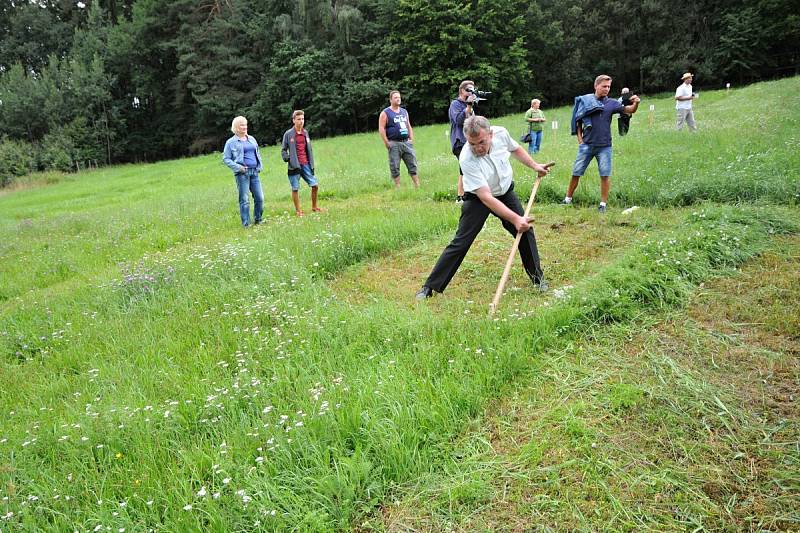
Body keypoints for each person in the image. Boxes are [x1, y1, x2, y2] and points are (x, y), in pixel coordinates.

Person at [416, 115, 551, 300]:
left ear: (491, 134)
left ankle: (538, 278)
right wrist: (514, 219)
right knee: (461, 241)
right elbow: (486, 197)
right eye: (472, 144)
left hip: (504, 192)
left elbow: (516, 149)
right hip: (479, 198)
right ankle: (429, 287)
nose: (477, 148)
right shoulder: (466, 158)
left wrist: (535, 165)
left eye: (481, 142)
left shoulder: (501, 133)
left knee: (526, 232)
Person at [562, 75, 640, 213]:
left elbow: (630, 110)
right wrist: (580, 140)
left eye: (609, 87)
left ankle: (602, 204)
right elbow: (578, 121)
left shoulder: (612, 103)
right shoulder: (586, 101)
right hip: (586, 145)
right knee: (576, 172)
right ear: (596, 86)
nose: (607, 89)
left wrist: (636, 103)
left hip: (605, 146)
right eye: (604, 86)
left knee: (604, 175)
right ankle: (567, 199)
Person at [222, 116, 264, 227]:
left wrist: (259, 166)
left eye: (245, 124)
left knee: (260, 198)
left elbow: (257, 153)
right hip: (242, 174)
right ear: (236, 127)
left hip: (254, 172)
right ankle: (246, 224)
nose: (244, 127)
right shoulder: (231, 142)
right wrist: (238, 167)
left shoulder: (252, 139)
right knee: (244, 199)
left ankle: (258, 220)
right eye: (242, 125)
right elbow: (226, 159)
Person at [281, 110, 322, 216]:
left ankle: (314, 207)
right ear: (294, 120)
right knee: (295, 188)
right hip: (295, 166)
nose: (301, 121)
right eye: (299, 119)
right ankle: (298, 211)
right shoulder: (288, 134)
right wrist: (287, 158)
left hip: (306, 164)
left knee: (315, 185)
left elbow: (308, 149)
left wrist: (311, 163)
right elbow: (283, 149)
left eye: (303, 119)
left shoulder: (305, 133)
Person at [378, 90, 420, 188]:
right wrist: (386, 142)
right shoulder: (385, 113)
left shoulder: (404, 111)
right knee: (395, 166)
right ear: (391, 100)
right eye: (396, 98)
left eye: (399, 97)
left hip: (406, 142)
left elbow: (408, 125)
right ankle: (398, 187)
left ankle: (417, 185)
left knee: (412, 164)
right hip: (394, 143)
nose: (398, 99)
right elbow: (381, 128)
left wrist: (411, 139)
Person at [449, 80, 477, 202]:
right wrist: (468, 106)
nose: (471, 93)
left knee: (470, 168)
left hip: (470, 141)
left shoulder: (470, 106)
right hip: (460, 141)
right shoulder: (455, 104)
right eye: (468, 90)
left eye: (472, 90)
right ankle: (461, 197)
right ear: (462, 90)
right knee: (464, 168)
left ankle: (469, 194)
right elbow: (459, 121)